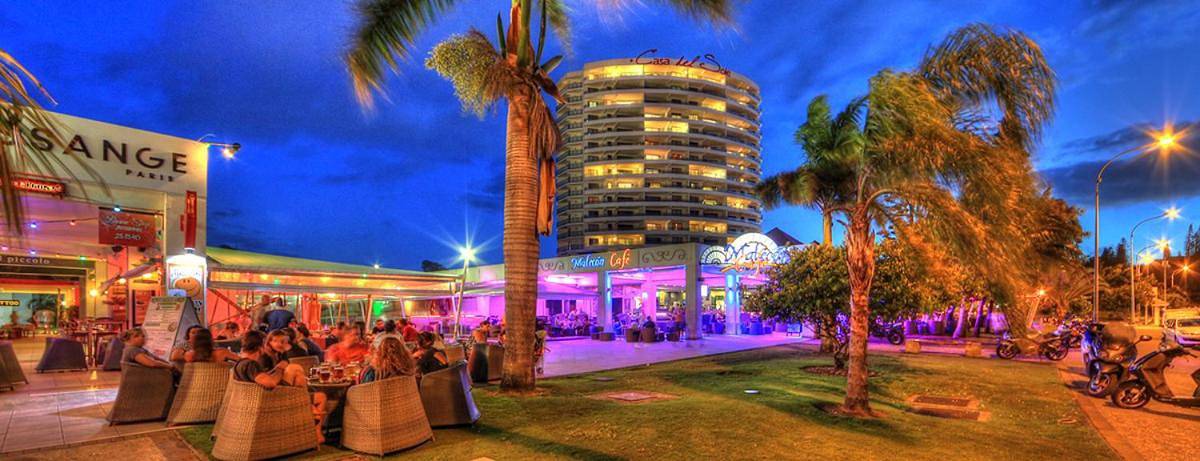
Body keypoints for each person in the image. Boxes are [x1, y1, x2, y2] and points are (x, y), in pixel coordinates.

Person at [233, 330, 327, 443]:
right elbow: (270, 383)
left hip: (266, 399)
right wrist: (280, 368)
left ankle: (313, 425)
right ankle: (310, 412)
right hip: (273, 401)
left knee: (309, 385)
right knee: (294, 368)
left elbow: (264, 379)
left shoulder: (240, 364)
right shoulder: (250, 364)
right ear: (260, 347)